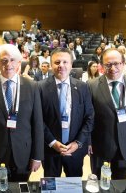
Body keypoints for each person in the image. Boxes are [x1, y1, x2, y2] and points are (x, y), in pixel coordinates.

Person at [0, 44, 43, 181]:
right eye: (4, 60)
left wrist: (37, 156)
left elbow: (37, 123)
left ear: (19, 62)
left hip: (24, 154)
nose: (8, 64)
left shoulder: (32, 87)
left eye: (12, 60)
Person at [87, 48, 126, 179]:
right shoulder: (91, 85)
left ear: (123, 63)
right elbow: (88, 117)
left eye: (116, 64)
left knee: (120, 183)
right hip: (99, 144)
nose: (112, 68)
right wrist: (88, 141)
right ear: (102, 65)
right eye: (108, 64)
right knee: (97, 182)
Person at [39, 48, 94, 177]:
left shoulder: (83, 87)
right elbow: (37, 119)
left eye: (65, 62)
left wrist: (78, 143)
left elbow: (90, 117)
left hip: (75, 149)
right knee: (50, 188)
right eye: (57, 62)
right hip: (49, 150)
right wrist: (52, 142)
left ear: (71, 64)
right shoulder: (39, 87)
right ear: (51, 65)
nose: (61, 66)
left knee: (73, 185)